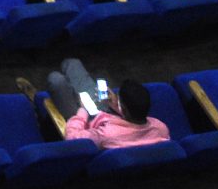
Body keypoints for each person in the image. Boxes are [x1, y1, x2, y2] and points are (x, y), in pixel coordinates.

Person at [18, 59, 170, 149]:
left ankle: (37, 100)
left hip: (87, 123)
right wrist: (115, 105)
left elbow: (72, 138)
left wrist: (82, 112)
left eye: (120, 100)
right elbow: (133, 122)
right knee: (72, 63)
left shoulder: (106, 136)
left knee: (56, 80)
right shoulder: (160, 128)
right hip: (108, 115)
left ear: (126, 109)